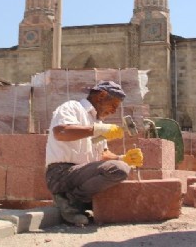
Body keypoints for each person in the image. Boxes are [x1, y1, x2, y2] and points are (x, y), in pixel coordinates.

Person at [45, 80, 143, 226]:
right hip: (61, 173)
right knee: (119, 169)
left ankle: (74, 203)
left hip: (81, 175)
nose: (113, 111)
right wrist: (96, 130)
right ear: (101, 96)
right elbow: (61, 132)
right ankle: (70, 202)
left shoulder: (97, 122)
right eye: (113, 105)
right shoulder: (72, 107)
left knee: (120, 168)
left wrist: (123, 158)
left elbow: (103, 155)